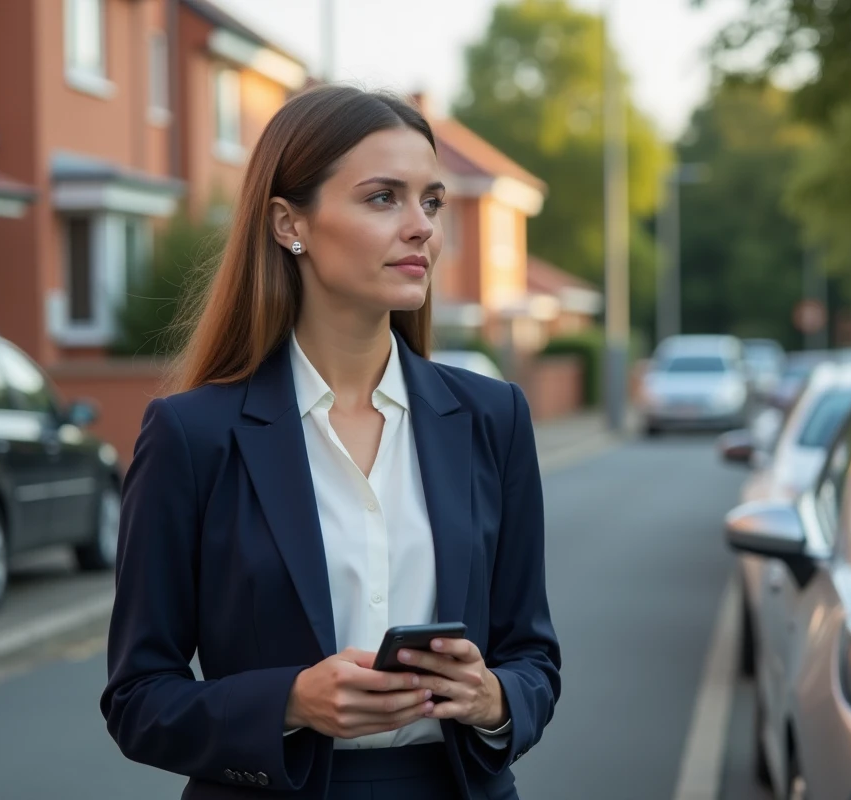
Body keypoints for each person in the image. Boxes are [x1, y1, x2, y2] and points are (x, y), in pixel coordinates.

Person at [100, 85, 561, 800]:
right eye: (384, 198)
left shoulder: (492, 417)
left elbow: (532, 656)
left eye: (431, 202)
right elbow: (138, 700)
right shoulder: (192, 436)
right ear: (291, 224)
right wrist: (291, 702)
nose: (422, 229)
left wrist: (494, 699)